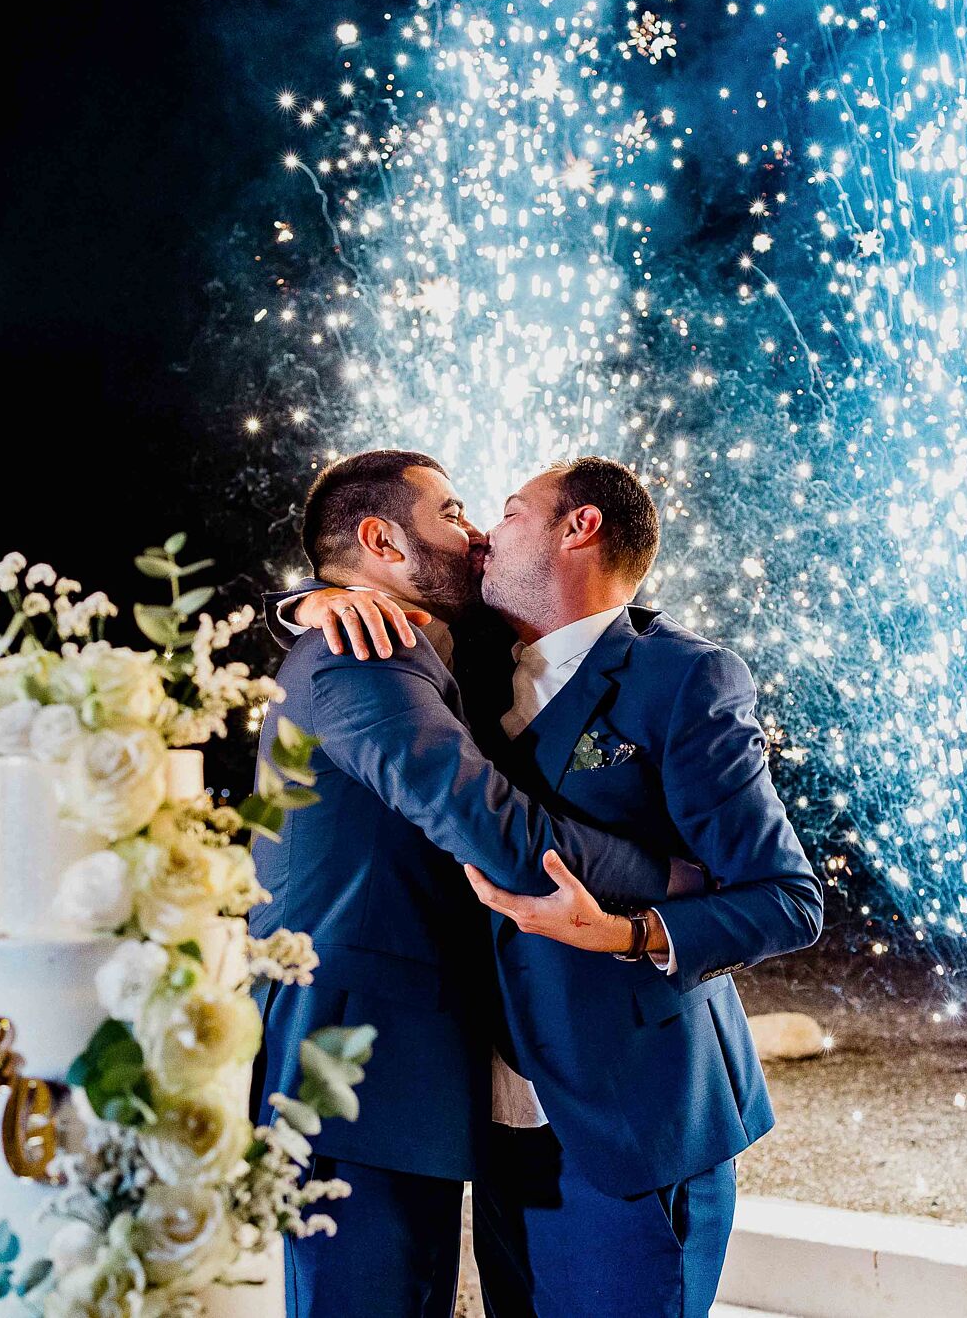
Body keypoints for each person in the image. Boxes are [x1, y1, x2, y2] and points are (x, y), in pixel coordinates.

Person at [279, 454, 823, 1317]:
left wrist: (636, 926)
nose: (484, 535)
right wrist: (312, 597)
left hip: (629, 1117)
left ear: (580, 528)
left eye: (502, 511)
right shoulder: (464, 657)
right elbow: (446, 775)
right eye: (462, 513)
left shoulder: (682, 676)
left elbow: (788, 898)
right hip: (503, 1129)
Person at [249, 449, 678, 1318]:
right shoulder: (355, 654)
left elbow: (591, 625)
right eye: (449, 514)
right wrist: (670, 876)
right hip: (352, 1064)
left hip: (405, 1067)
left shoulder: (427, 642)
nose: (478, 530)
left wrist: (286, 601)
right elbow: (496, 834)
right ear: (381, 540)